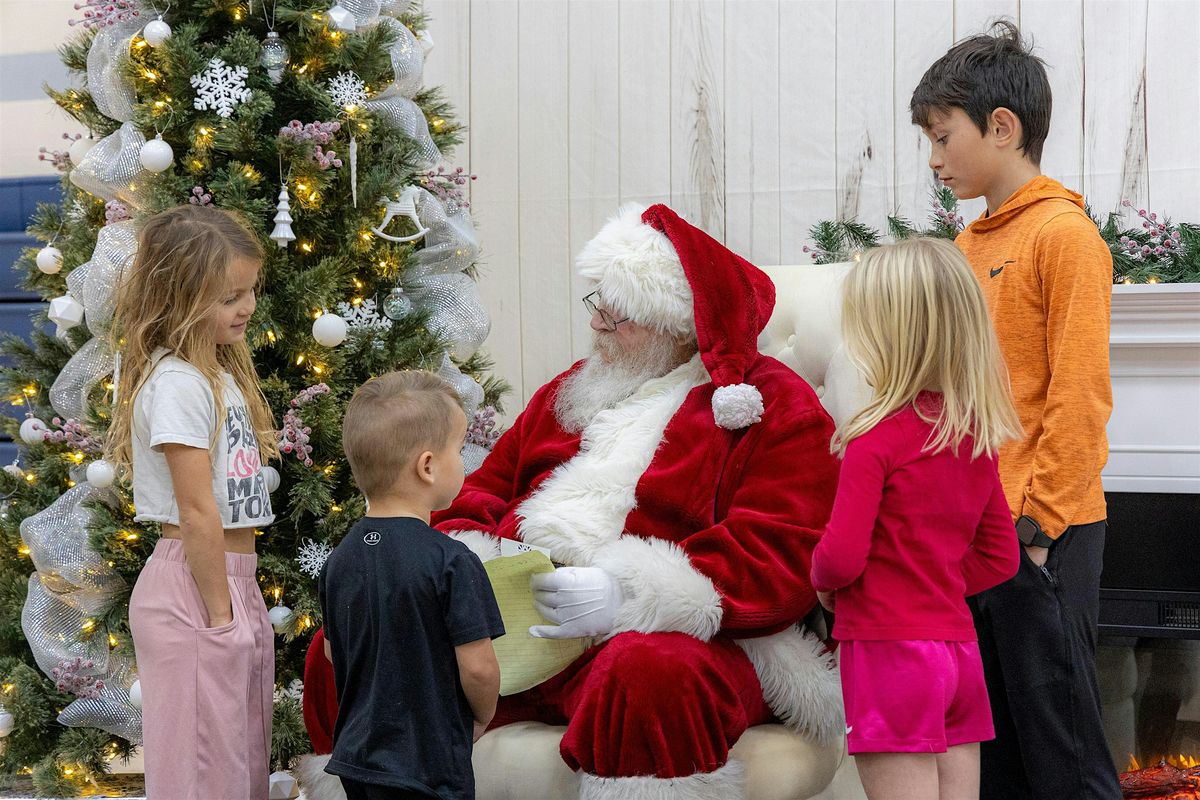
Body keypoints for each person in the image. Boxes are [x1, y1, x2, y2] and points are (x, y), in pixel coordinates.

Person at [300, 203, 846, 800]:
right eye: (598, 303)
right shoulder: (570, 392)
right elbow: (474, 495)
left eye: (622, 312)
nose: (600, 322)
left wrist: (628, 596)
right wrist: (472, 568)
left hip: (674, 639)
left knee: (649, 674)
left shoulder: (770, 405)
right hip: (516, 634)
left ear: (677, 323)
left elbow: (784, 549)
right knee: (341, 651)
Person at [911, 20, 1120, 800]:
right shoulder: (967, 248)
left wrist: (1040, 529)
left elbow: (1079, 393)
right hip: (973, 537)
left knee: (1063, 754)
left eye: (942, 135)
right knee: (991, 756)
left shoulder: (1064, 236)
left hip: (1041, 535)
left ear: (1002, 128)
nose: (933, 157)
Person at [810, 238, 1022, 800]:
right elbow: (1001, 556)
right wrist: (934, 583)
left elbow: (840, 556)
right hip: (957, 653)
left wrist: (827, 586)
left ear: (885, 337)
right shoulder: (974, 439)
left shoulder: (872, 439)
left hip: (887, 655)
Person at [107, 204, 279, 799]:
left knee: (238, 763)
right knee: (205, 775)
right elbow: (198, 511)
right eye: (230, 295)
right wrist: (218, 615)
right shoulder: (179, 383)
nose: (247, 306)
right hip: (197, 586)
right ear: (181, 297)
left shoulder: (213, 373)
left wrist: (234, 603)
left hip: (229, 581)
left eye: (249, 290)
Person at [318, 370, 504, 800]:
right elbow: (478, 667)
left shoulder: (340, 559)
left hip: (358, 759)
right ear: (427, 466)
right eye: (459, 449)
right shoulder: (453, 562)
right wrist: (482, 714)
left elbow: (332, 649)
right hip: (429, 763)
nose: (464, 460)